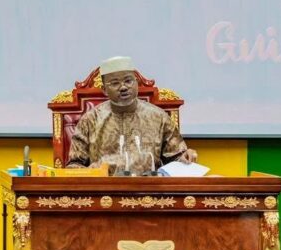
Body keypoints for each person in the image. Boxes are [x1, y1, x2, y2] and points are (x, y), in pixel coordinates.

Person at [67, 56, 197, 175]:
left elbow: (176, 160)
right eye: (115, 83)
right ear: (104, 90)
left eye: (128, 81)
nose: (123, 87)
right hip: (105, 190)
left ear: (136, 83)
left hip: (149, 189)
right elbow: (73, 166)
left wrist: (185, 157)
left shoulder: (159, 117)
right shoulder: (90, 120)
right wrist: (90, 172)